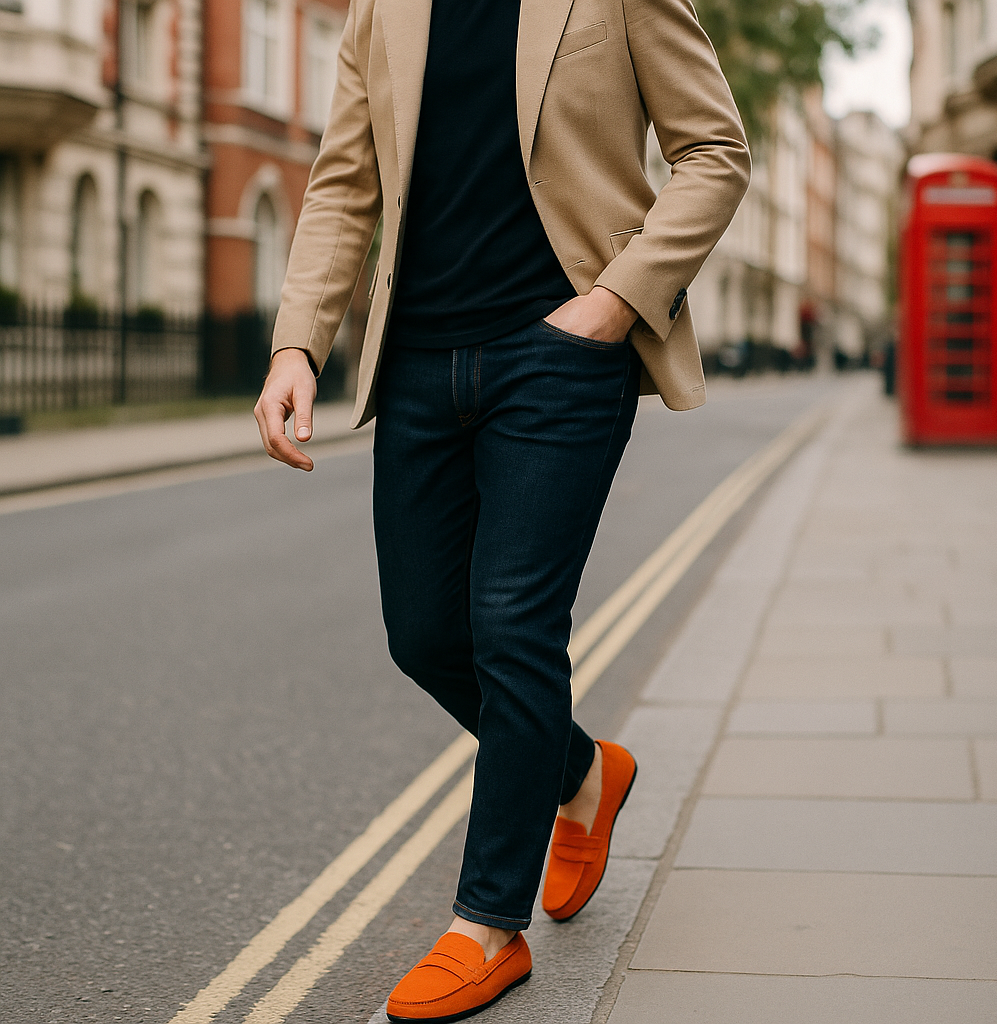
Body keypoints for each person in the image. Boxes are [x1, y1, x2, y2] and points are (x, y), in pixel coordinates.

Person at [254, 0, 749, 1019]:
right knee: (426, 633)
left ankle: (487, 924)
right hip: (421, 361)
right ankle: (579, 773)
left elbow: (712, 151)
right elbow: (344, 183)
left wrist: (611, 304)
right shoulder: (379, 9)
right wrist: (297, 341)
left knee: (514, 624)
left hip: (560, 353)